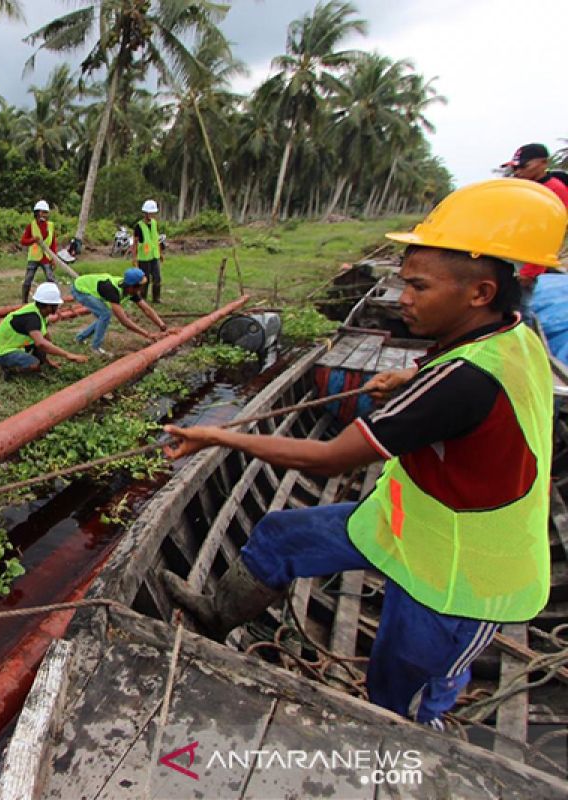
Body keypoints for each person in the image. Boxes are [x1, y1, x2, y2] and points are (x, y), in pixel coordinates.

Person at [160, 178, 567, 730]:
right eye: (405, 284)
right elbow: (459, 376)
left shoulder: (465, 382)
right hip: (407, 521)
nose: (404, 298)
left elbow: (328, 459)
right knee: (280, 537)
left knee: (398, 697)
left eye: (419, 287)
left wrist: (216, 435)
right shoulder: (510, 334)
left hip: (460, 575)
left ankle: (411, 756)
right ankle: (214, 614)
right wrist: (408, 376)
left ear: (480, 293)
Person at [500, 143, 568, 321]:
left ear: (543, 163)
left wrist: (531, 270)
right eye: (515, 168)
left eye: (523, 166)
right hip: (513, 255)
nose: (518, 172)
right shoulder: (526, 188)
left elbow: (549, 235)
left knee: (522, 308)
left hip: (531, 260)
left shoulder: (555, 191)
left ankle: (525, 344)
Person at [0, 282, 89, 377]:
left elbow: (45, 338)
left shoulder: (39, 312)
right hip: (1, 352)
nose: (58, 307)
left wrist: (47, 361)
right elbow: (41, 343)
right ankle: (10, 369)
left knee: (45, 344)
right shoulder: (32, 318)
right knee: (34, 364)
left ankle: (32, 361)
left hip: (15, 346)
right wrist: (68, 355)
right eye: (56, 305)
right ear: (49, 306)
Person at [71, 268, 168, 356]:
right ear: (132, 286)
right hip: (80, 289)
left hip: (90, 288)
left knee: (104, 318)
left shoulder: (130, 290)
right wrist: (147, 334)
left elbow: (147, 309)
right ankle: (95, 348)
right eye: (140, 287)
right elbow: (124, 321)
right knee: (105, 314)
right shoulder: (112, 290)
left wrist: (162, 326)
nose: (141, 290)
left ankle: (79, 338)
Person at [19, 200, 58, 303]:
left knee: (51, 279)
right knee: (28, 280)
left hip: (47, 257)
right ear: (37, 213)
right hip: (34, 257)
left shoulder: (50, 226)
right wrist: (32, 240)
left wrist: (54, 258)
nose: (44, 215)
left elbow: (53, 243)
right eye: (43, 212)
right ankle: (24, 301)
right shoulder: (31, 226)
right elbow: (23, 241)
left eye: (46, 212)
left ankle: (53, 300)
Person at [132, 199, 164, 303]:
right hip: (144, 257)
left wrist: (160, 253)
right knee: (145, 280)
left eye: (153, 213)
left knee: (157, 278)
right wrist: (134, 258)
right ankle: (142, 298)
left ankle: (156, 298)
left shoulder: (154, 223)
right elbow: (135, 243)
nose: (151, 215)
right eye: (149, 213)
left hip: (154, 256)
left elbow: (156, 239)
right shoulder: (139, 226)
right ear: (145, 213)